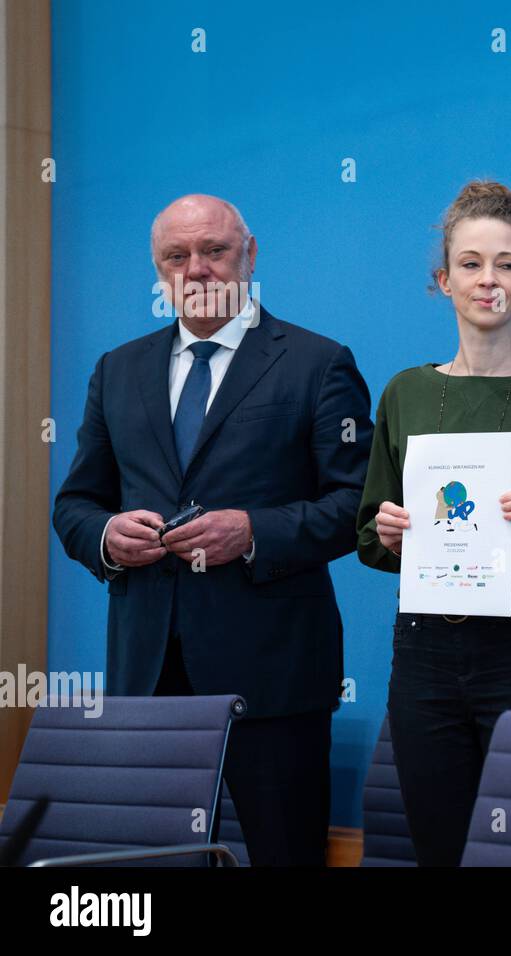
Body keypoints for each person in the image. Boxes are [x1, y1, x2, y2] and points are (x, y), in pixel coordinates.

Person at [52, 193, 374, 865]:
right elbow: (75, 504)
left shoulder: (317, 363)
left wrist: (253, 531)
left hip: (275, 681)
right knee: (149, 869)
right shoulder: (118, 370)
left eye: (214, 252)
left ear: (249, 255)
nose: (196, 269)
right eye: (177, 256)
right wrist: (108, 536)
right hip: (148, 678)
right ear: (159, 270)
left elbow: (356, 506)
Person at [356, 180, 511, 866]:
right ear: (443, 281)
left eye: (506, 264)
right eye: (470, 263)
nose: (488, 279)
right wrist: (392, 531)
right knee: (440, 850)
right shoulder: (405, 393)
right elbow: (367, 537)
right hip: (425, 651)